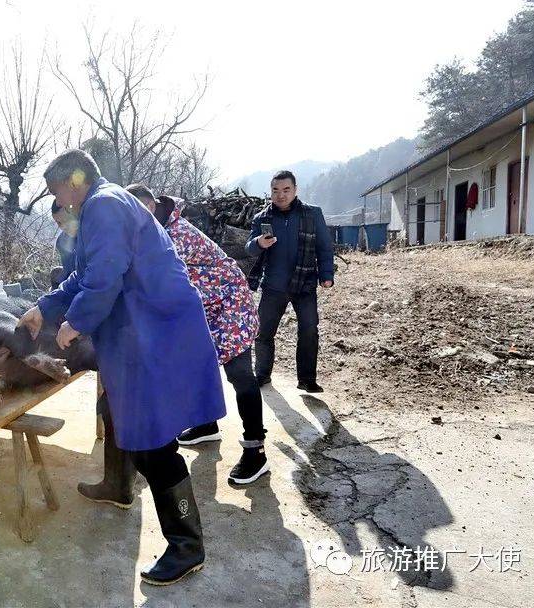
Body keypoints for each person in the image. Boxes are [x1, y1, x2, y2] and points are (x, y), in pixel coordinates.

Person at [18, 150, 225, 586]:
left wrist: (74, 323)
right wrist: (44, 306)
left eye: (57, 191)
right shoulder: (104, 206)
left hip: (156, 333)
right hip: (141, 332)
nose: (58, 200)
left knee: (153, 442)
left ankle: (187, 545)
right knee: (119, 413)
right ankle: (118, 485)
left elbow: (104, 277)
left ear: (73, 184)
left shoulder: (103, 205)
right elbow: (84, 275)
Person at [123, 184, 268, 485]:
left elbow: (147, 280)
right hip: (204, 306)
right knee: (195, 366)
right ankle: (206, 425)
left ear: (151, 207)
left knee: (240, 375)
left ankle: (256, 452)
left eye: (137, 212)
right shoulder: (156, 230)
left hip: (229, 303)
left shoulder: (174, 235)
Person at [246, 170, 335, 393]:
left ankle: (307, 379)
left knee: (308, 330)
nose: (281, 195)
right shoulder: (262, 218)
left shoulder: (313, 215)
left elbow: (324, 247)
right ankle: (262, 374)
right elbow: (249, 248)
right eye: (276, 190)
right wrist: (258, 243)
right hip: (273, 285)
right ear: (271, 192)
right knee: (264, 332)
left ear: (295, 190)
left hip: (304, 284)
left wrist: (326, 275)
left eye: (286, 190)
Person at [50, 199, 78, 288]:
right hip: (74, 280)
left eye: (66, 220)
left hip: (92, 280)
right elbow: (68, 269)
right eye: (58, 222)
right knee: (55, 273)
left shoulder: (91, 232)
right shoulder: (61, 241)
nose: (62, 226)